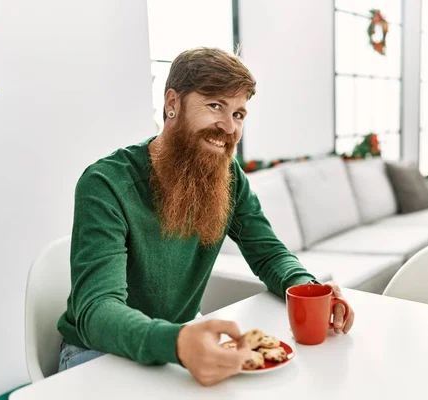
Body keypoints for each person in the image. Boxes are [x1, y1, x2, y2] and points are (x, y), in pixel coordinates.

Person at [56, 47, 355, 386]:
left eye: (239, 114)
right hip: (97, 354)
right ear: (173, 103)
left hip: (180, 340)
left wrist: (307, 288)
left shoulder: (227, 176)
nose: (229, 127)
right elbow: (96, 311)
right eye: (215, 106)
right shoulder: (106, 183)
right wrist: (178, 342)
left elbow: (269, 253)